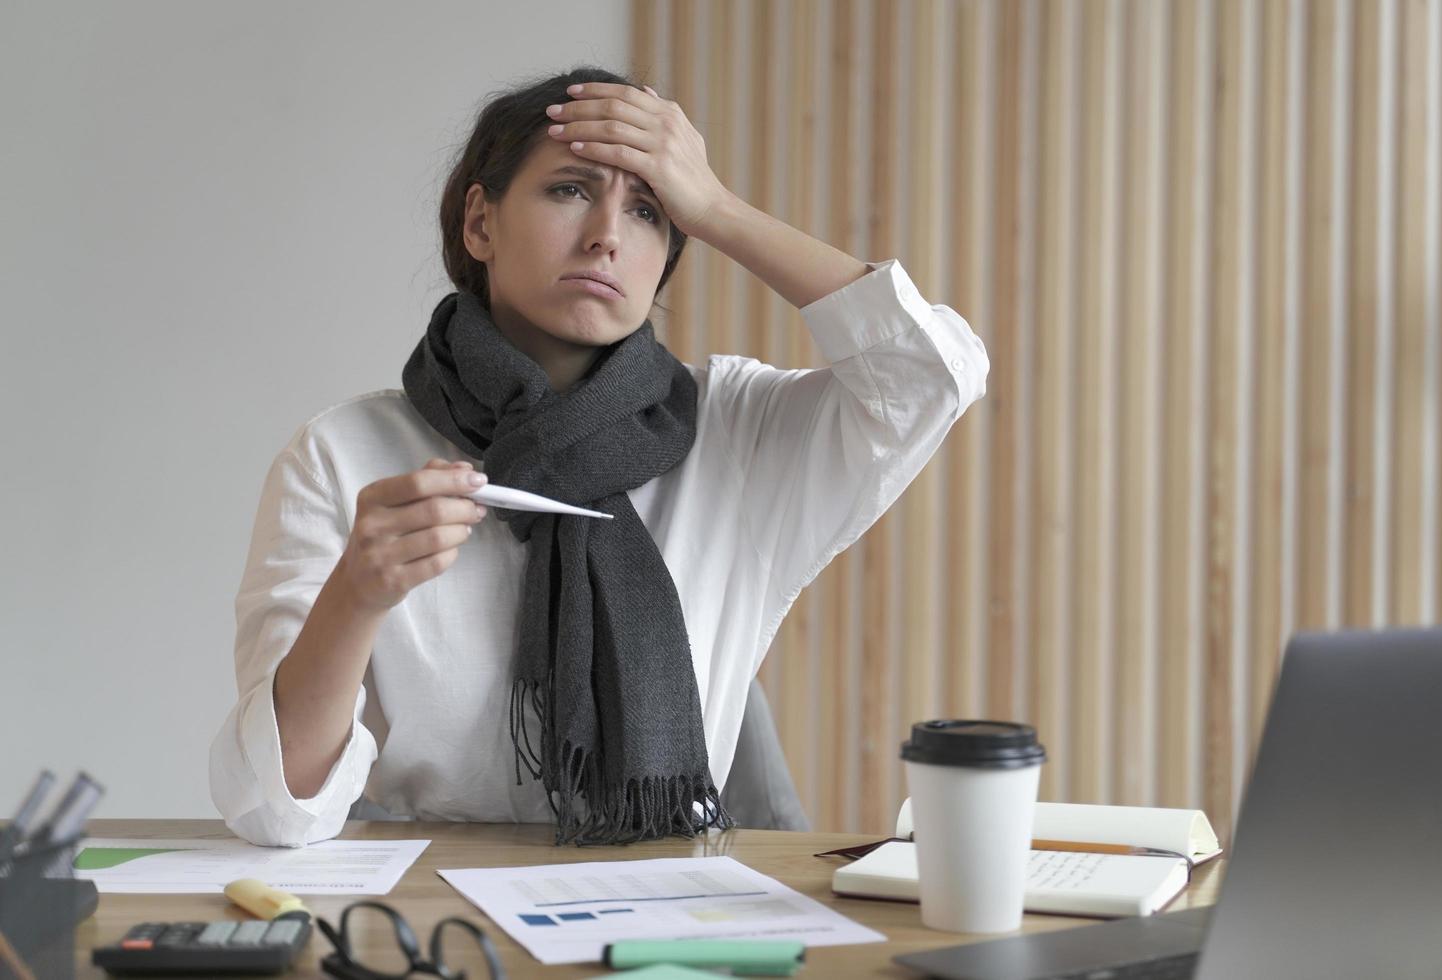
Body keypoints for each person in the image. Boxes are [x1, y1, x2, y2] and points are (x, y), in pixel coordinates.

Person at [209, 66, 989, 847]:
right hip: (432, 908)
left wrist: (715, 206)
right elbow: (275, 808)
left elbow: (929, 379)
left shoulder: (736, 433)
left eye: (649, 209)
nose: (607, 235)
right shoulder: (346, 457)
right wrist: (356, 594)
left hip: (669, 904)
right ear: (480, 222)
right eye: (570, 190)